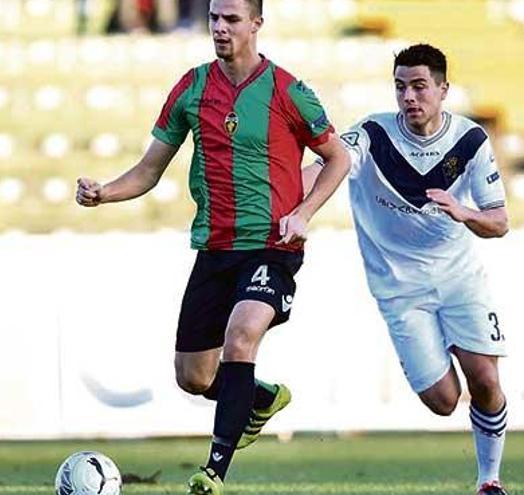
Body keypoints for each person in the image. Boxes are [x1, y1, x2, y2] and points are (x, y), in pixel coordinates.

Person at [76, 0, 350, 493]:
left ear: (256, 24)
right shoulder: (192, 87)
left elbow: (337, 158)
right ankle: (258, 397)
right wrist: (104, 192)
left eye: (231, 20)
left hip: (272, 245)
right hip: (215, 247)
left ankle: (212, 474)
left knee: (242, 335)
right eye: (213, 19)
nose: (220, 29)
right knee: (194, 376)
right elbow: (148, 169)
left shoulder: (288, 90)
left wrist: (304, 212)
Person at [304, 43, 511, 495]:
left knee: (487, 379)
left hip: (459, 279)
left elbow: (499, 223)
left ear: (442, 89)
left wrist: (464, 212)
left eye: (419, 86)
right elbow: (324, 167)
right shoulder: (372, 136)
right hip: (400, 290)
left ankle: (489, 480)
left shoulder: (470, 141)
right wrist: (288, 204)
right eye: (401, 87)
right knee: (443, 401)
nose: (409, 96)